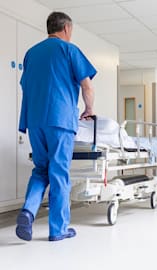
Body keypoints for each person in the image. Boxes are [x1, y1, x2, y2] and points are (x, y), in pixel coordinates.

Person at [16, 11, 97, 242]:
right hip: (60, 121)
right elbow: (87, 86)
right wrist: (89, 109)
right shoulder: (70, 50)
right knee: (59, 172)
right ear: (67, 29)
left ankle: (28, 211)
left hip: (34, 120)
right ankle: (58, 229)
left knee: (41, 170)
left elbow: (27, 86)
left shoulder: (31, 53)